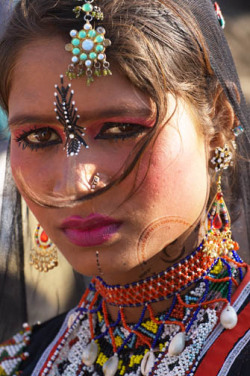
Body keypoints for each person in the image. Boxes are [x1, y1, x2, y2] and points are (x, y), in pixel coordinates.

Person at [0, 0, 249, 375]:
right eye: (39, 136)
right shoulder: (20, 363)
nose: (76, 183)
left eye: (121, 129)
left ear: (218, 122)